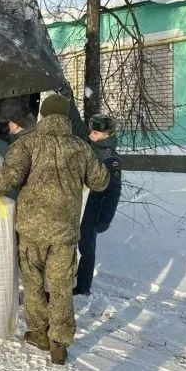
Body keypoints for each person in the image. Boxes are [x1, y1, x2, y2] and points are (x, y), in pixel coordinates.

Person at [0, 94, 109, 364]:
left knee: (34, 284)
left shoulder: (28, 143)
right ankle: (59, 343)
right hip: (64, 233)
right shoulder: (80, 147)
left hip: (31, 230)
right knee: (62, 286)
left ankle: (39, 333)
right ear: (64, 117)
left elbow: (9, 176)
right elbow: (100, 182)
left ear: (43, 116)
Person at [75, 114, 122, 296]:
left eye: (95, 133)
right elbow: (76, 122)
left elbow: (113, 192)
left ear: (106, 135)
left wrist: (104, 219)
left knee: (86, 248)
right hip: (78, 205)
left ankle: (83, 287)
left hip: (92, 210)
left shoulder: (110, 159)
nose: (91, 135)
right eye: (91, 131)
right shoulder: (89, 146)